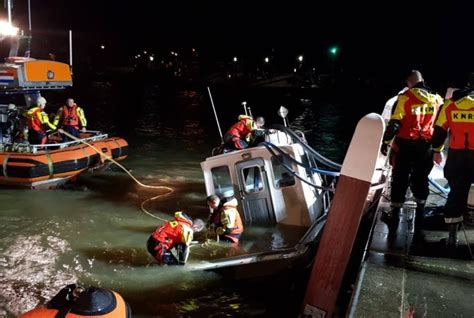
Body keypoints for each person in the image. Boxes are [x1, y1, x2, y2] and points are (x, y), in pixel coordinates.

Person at [380, 70, 443, 240]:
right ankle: (421, 214)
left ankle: (395, 214)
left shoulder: (405, 98)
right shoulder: (438, 99)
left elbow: (394, 123)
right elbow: (441, 127)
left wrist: (386, 143)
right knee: (421, 178)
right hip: (427, 146)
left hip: (406, 145)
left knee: (400, 177)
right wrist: (438, 149)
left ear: (409, 82)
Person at [431, 72, 474, 247]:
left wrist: (436, 150)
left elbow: (440, 131)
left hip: (457, 156)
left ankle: (452, 237)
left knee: (456, 193)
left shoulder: (450, 104)